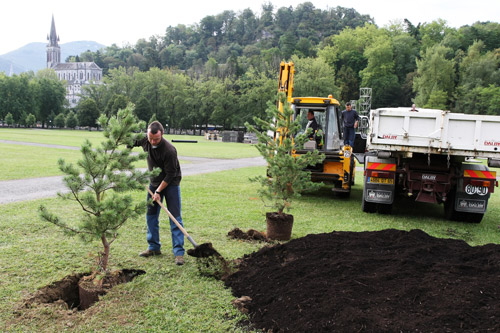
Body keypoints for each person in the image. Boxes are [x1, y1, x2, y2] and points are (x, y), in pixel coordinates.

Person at [133, 121, 185, 265]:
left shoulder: (169, 150)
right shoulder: (146, 140)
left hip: (171, 183)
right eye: (150, 138)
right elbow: (131, 140)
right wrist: (126, 146)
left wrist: (158, 191)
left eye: (156, 139)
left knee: (174, 217)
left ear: (162, 134)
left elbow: (170, 174)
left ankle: (179, 252)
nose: (153, 142)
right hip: (154, 182)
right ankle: (154, 247)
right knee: (151, 215)